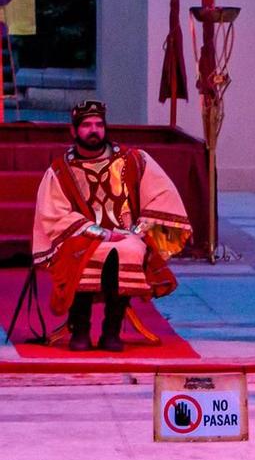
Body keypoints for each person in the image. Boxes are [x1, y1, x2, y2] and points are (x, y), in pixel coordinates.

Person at [34, 99, 192, 352]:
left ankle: (111, 330)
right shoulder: (60, 170)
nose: (94, 130)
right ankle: (81, 329)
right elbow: (53, 214)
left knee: (129, 250)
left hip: (127, 234)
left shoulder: (133, 159)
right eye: (86, 125)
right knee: (84, 252)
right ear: (74, 131)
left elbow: (163, 195)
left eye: (98, 124)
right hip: (82, 235)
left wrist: (139, 232)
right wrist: (99, 233)